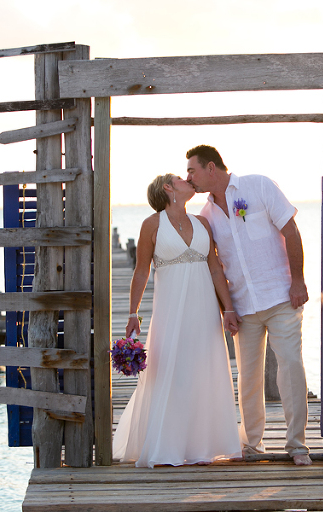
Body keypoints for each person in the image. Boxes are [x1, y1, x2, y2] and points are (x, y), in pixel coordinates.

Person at [185, 145, 312, 466]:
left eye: (192, 171)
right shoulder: (207, 217)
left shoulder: (259, 186)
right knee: (248, 377)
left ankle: (297, 444)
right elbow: (215, 268)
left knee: (291, 367)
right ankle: (252, 444)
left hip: (282, 297)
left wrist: (298, 281)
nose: (190, 177)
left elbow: (291, 231)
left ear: (210, 167)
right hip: (243, 308)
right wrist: (226, 308)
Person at [112, 173, 242, 468]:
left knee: (202, 368)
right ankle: (167, 444)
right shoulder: (152, 224)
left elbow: (215, 270)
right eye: (179, 179)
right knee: (172, 370)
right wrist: (133, 313)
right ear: (168, 188)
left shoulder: (202, 223)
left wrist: (228, 310)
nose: (188, 180)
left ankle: (200, 447)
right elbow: (142, 271)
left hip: (204, 308)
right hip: (171, 308)